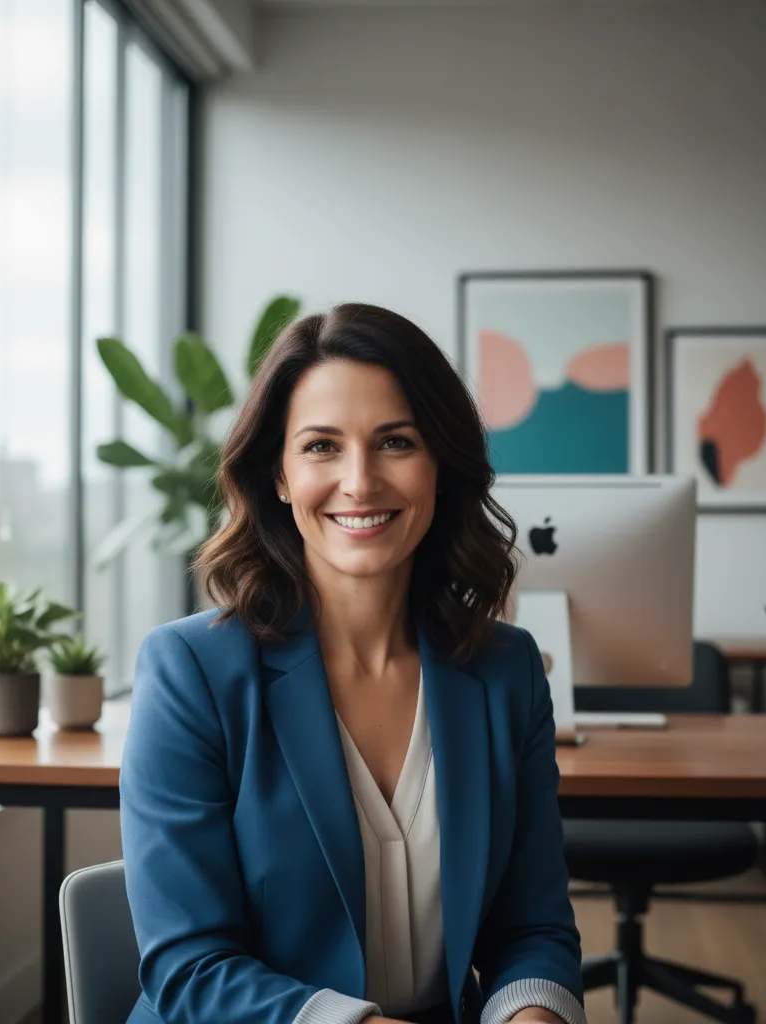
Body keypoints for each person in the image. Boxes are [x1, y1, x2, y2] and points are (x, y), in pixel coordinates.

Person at [120, 303, 586, 1024]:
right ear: (277, 474)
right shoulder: (191, 672)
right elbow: (189, 966)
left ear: (440, 465)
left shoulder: (507, 670)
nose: (361, 482)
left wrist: (532, 1015)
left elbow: (531, 928)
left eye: (395, 441)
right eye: (321, 447)